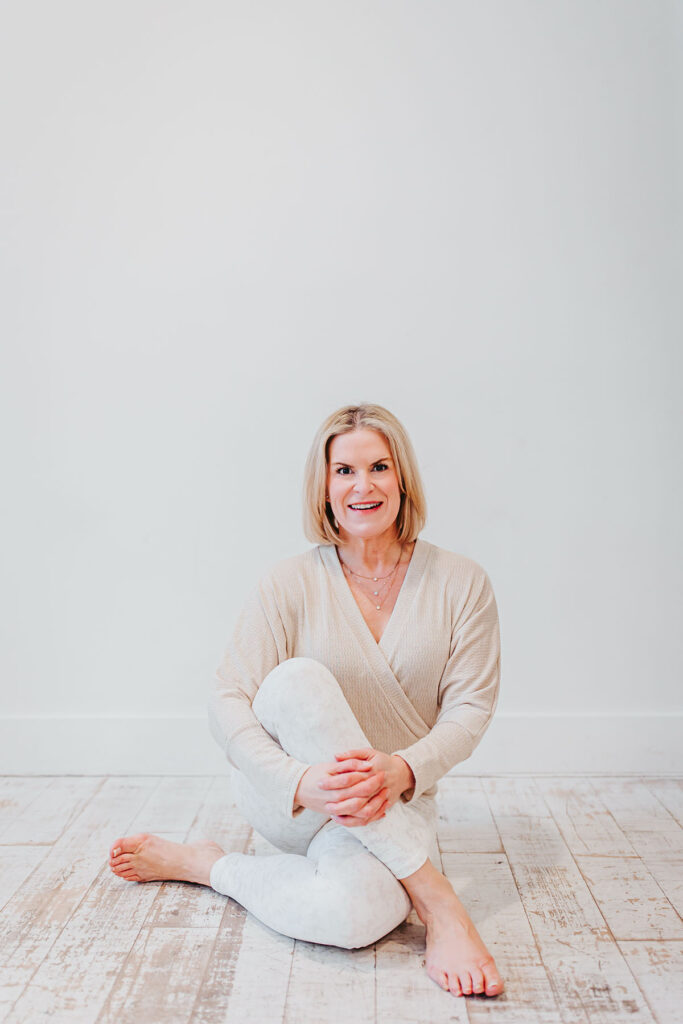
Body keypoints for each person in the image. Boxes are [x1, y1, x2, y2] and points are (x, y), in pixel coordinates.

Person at [108, 403, 504, 999]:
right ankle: (437, 898)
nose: (362, 486)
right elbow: (227, 699)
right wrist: (297, 781)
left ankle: (207, 865)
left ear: (403, 478)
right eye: (344, 470)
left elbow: (471, 708)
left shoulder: (461, 582)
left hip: (395, 799)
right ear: (323, 487)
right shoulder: (287, 582)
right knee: (296, 680)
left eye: (379, 467)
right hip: (290, 802)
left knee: (354, 918)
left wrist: (403, 769)